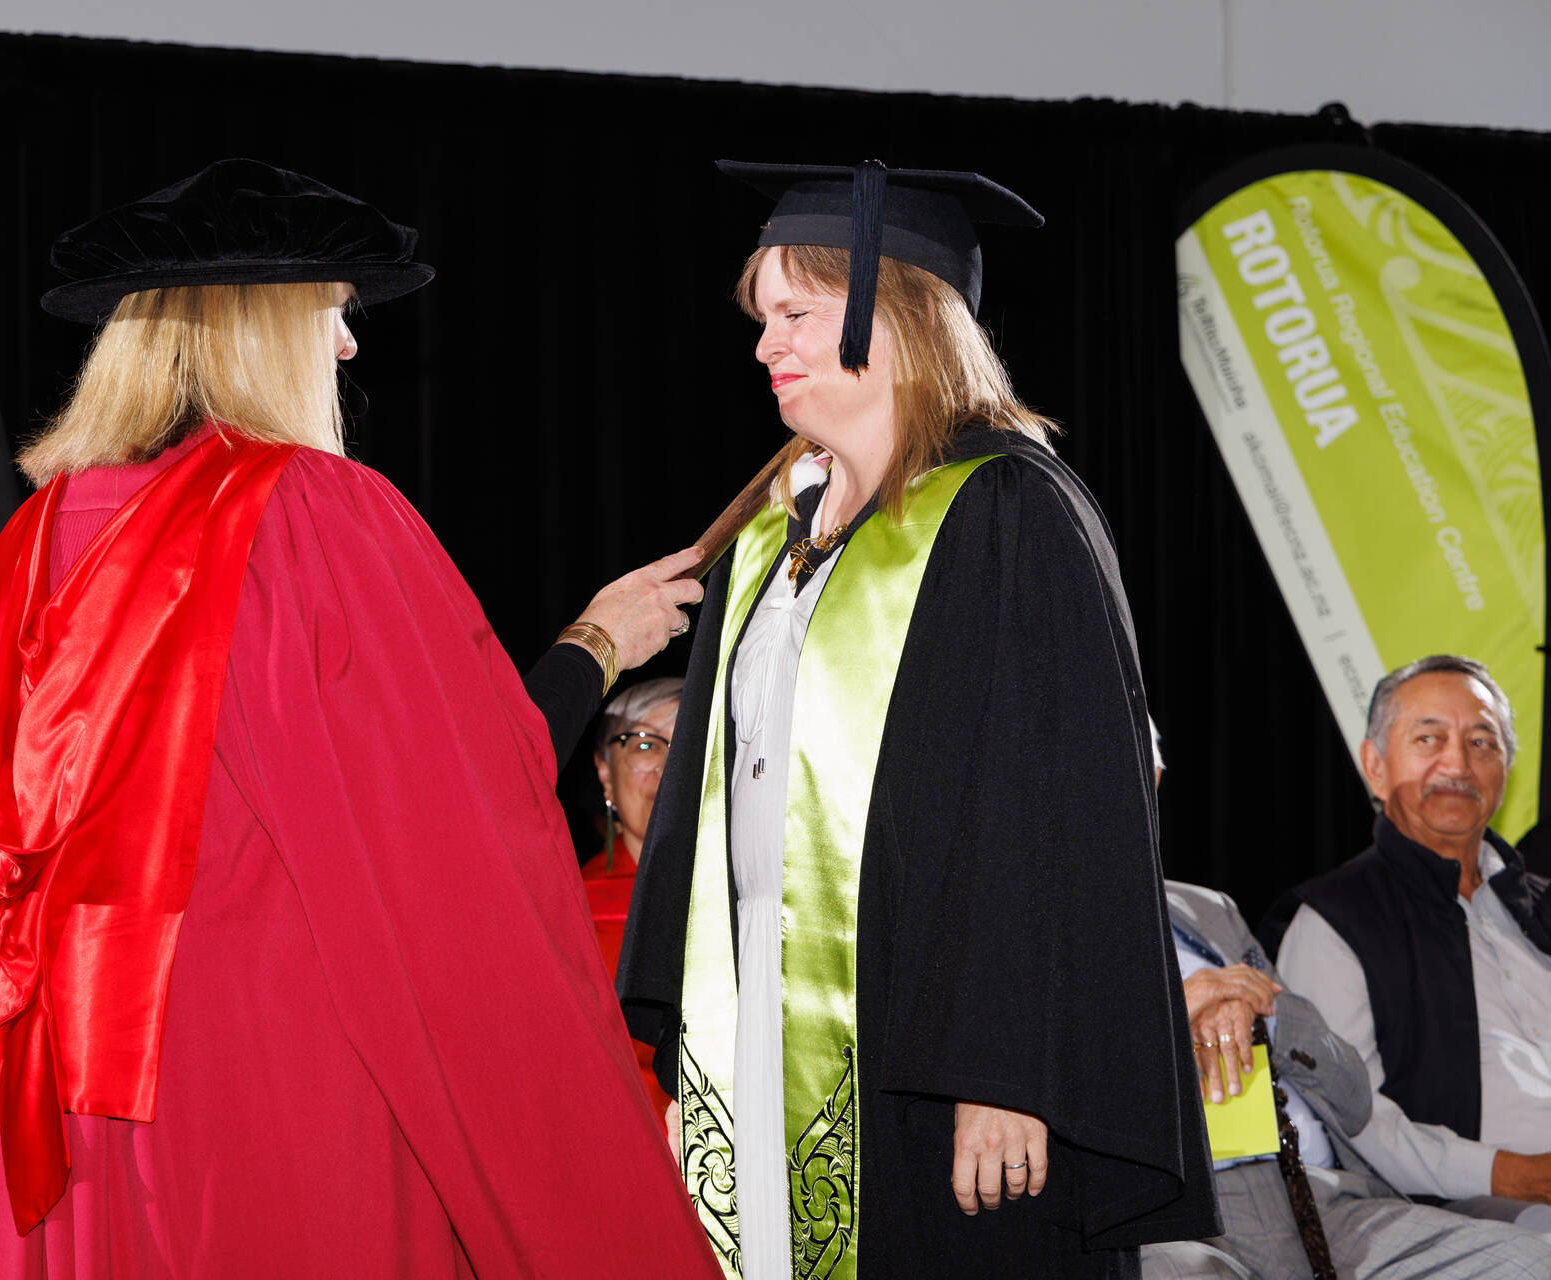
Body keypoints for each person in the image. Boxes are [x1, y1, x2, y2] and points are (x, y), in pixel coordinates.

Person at [0, 159, 720, 1278]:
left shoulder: (27, 547)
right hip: (267, 1078)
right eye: (334, 314)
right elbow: (448, 819)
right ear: (257, 326)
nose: (349, 348)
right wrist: (593, 647)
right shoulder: (309, 515)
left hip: (71, 1088)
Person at [617, 160, 1216, 1280]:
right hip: (762, 1008)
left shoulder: (1010, 510)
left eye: (796, 314)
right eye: (763, 317)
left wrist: (1008, 1068)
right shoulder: (772, 536)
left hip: (937, 1044)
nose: (766, 344)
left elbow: (1054, 813)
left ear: (890, 316)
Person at [1146, 877, 1551, 1279]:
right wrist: (1174, 1009)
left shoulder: (1208, 909)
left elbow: (1355, 1103)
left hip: (1318, 1194)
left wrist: (1263, 1012)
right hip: (1175, 1221)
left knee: (1532, 1264)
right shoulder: (1329, 918)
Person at [1276, 655, 1551, 1219]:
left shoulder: (1540, 904)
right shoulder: (1332, 921)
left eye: (1482, 742)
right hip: (1463, 1211)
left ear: (1506, 769)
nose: (1458, 763)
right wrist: (1514, 1175)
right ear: (1374, 766)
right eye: (1429, 739)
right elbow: (1355, 1121)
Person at [583, 677, 683, 1128]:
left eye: (689, 743)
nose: (671, 766)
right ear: (605, 771)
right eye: (645, 745)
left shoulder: (765, 904)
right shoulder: (569, 912)